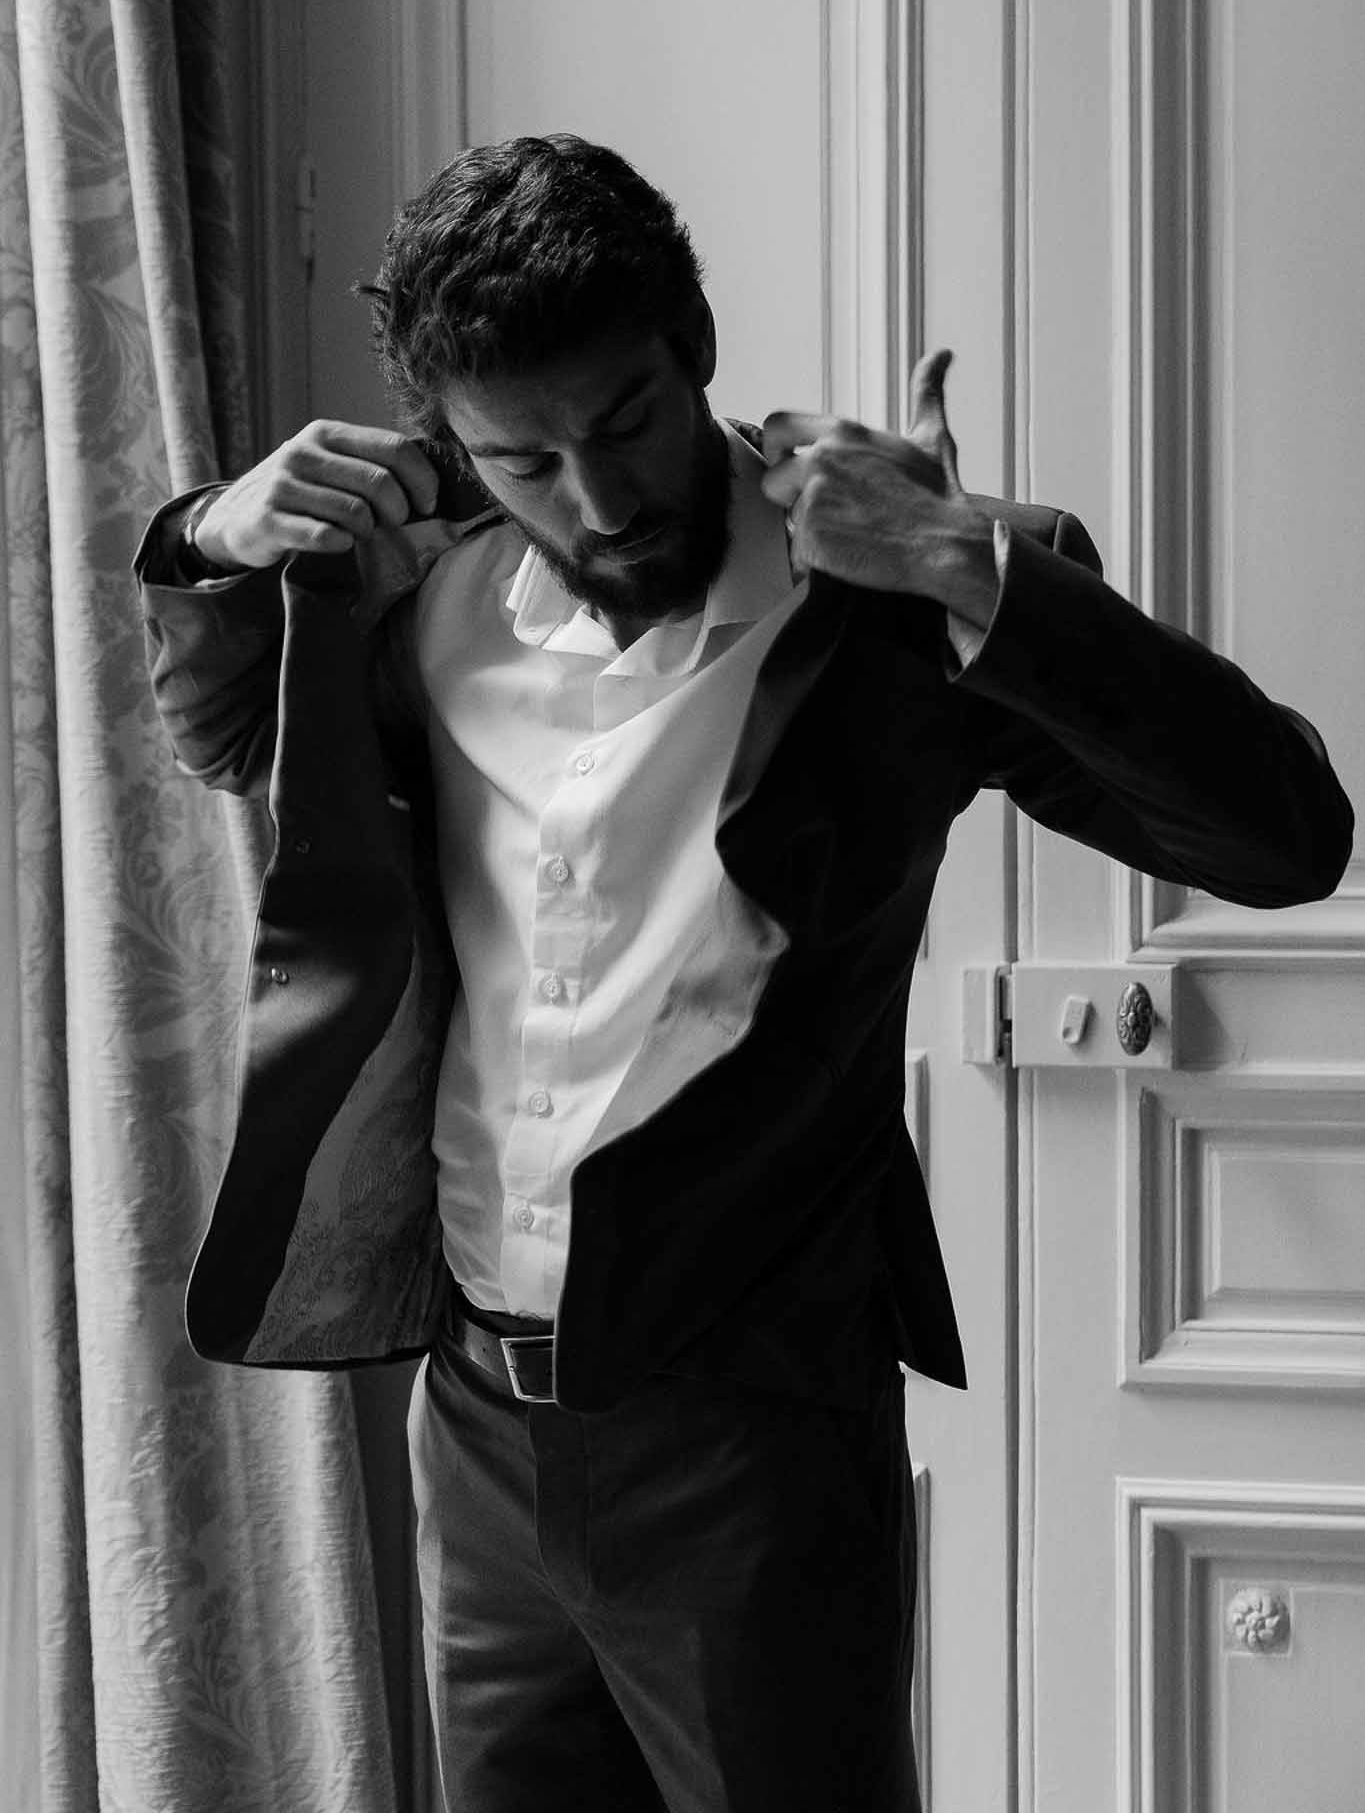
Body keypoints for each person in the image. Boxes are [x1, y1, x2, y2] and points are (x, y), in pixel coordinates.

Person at [134, 133, 1353, 1813]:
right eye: (522, 460)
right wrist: (213, 534)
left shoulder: (887, 595)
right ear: (448, 444)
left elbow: (1284, 838)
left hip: (750, 1427)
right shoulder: (416, 599)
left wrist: (961, 571)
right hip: (478, 1416)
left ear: (693, 342)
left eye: (624, 421)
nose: (597, 499)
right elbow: (218, 736)